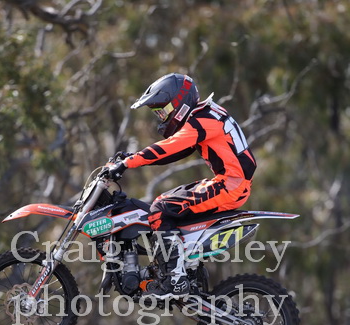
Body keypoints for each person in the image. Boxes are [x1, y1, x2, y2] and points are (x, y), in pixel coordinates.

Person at [108, 73, 257, 299]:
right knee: (167, 204)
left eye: (163, 111)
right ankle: (185, 267)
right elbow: (177, 151)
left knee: (160, 208)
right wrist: (132, 157)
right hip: (231, 182)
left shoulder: (201, 121)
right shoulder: (207, 113)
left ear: (179, 102)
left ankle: (175, 279)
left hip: (230, 185)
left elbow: (169, 147)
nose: (162, 117)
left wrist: (127, 163)